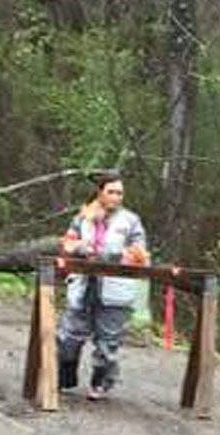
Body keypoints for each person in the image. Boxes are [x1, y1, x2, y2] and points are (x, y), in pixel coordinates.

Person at [55, 171, 149, 401]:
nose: (116, 197)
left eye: (120, 193)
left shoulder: (130, 221)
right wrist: (79, 248)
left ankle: (101, 383)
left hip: (115, 289)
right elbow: (67, 242)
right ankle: (64, 378)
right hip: (84, 285)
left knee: (108, 343)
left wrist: (110, 255)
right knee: (69, 337)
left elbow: (141, 255)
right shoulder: (83, 217)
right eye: (112, 192)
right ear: (100, 192)